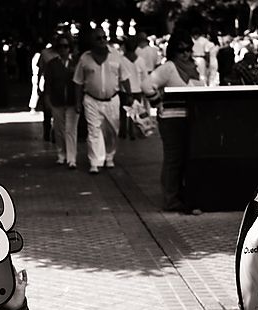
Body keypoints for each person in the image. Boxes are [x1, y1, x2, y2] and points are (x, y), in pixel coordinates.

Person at [141, 31, 203, 213]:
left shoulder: (195, 68)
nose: (185, 54)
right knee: (173, 159)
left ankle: (182, 195)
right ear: (173, 51)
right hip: (171, 120)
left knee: (186, 159)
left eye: (188, 49)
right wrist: (157, 103)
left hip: (190, 120)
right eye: (180, 50)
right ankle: (171, 199)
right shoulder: (168, 68)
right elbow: (146, 85)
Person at [73, 27, 131, 174]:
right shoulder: (85, 58)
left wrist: (130, 95)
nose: (102, 41)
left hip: (112, 100)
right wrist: (78, 102)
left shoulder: (116, 55)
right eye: (98, 38)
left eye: (104, 37)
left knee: (112, 130)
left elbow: (124, 77)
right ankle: (95, 161)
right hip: (91, 100)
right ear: (92, 41)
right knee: (93, 131)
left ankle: (109, 156)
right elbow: (78, 81)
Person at [43, 34, 79, 168]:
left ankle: (71, 158)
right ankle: (61, 154)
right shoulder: (52, 64)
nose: (63, 49)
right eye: (60, 46)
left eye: (66, 46)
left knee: (71, 130)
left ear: (70, 48)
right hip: (57, 101)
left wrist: (79, 101)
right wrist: (47, 99)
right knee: (59, 130)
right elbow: (48, 83)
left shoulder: (76, 63)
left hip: (72, 101)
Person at [119, 36, 148, 140]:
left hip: (124, 90)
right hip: (137, 90)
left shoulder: (121, 60)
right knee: (135, 113)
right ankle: (133, 132)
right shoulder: (141, 61)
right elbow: (145, 77)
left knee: (123, 113)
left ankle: (122, 132)